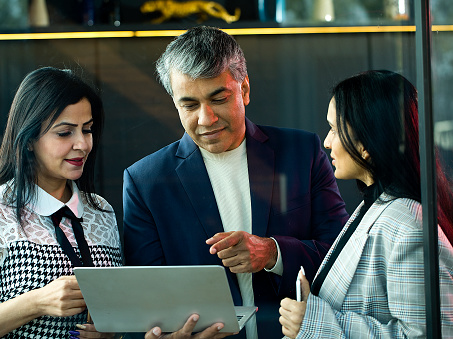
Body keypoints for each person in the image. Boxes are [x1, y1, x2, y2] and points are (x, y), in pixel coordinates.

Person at [0, 67, 225, 339]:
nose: (82, 144)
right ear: (29, 139)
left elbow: (116, 316)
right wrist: (35, 303)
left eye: (87, 130)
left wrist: (109, 331)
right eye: (65, 133)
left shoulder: (100, 211)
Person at [123, 26, 349, 339]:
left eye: (218, 98)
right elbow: (145, 303)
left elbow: (343, 258)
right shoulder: (144, 181)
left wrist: (273, 253)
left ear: (244, 89)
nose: (205, 119)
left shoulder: (303, 152)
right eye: (189, 105)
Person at [279, 70, 453, 338]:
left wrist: (313, 323)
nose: (326, 142)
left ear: (366, 144)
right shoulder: (376, 205)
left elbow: (428, 334)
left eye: (335, 130)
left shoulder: (408, 226)